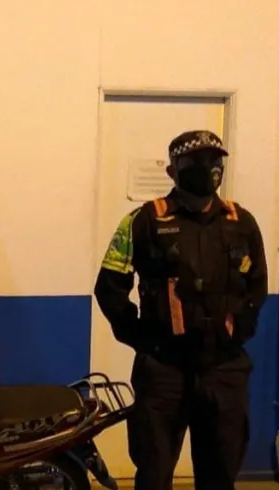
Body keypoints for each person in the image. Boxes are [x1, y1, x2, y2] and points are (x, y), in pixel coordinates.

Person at [94, 129, 268, 490]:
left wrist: (238, 332)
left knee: (220, 474)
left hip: (224, 371)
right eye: (195, 162)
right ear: (172, 171)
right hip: (164, 373)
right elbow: (110, 287)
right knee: (154, 474)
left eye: (214, 160)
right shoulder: (143, 221)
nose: (208, 168)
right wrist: (142, 338)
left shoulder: (242, 222)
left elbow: (257, 285)